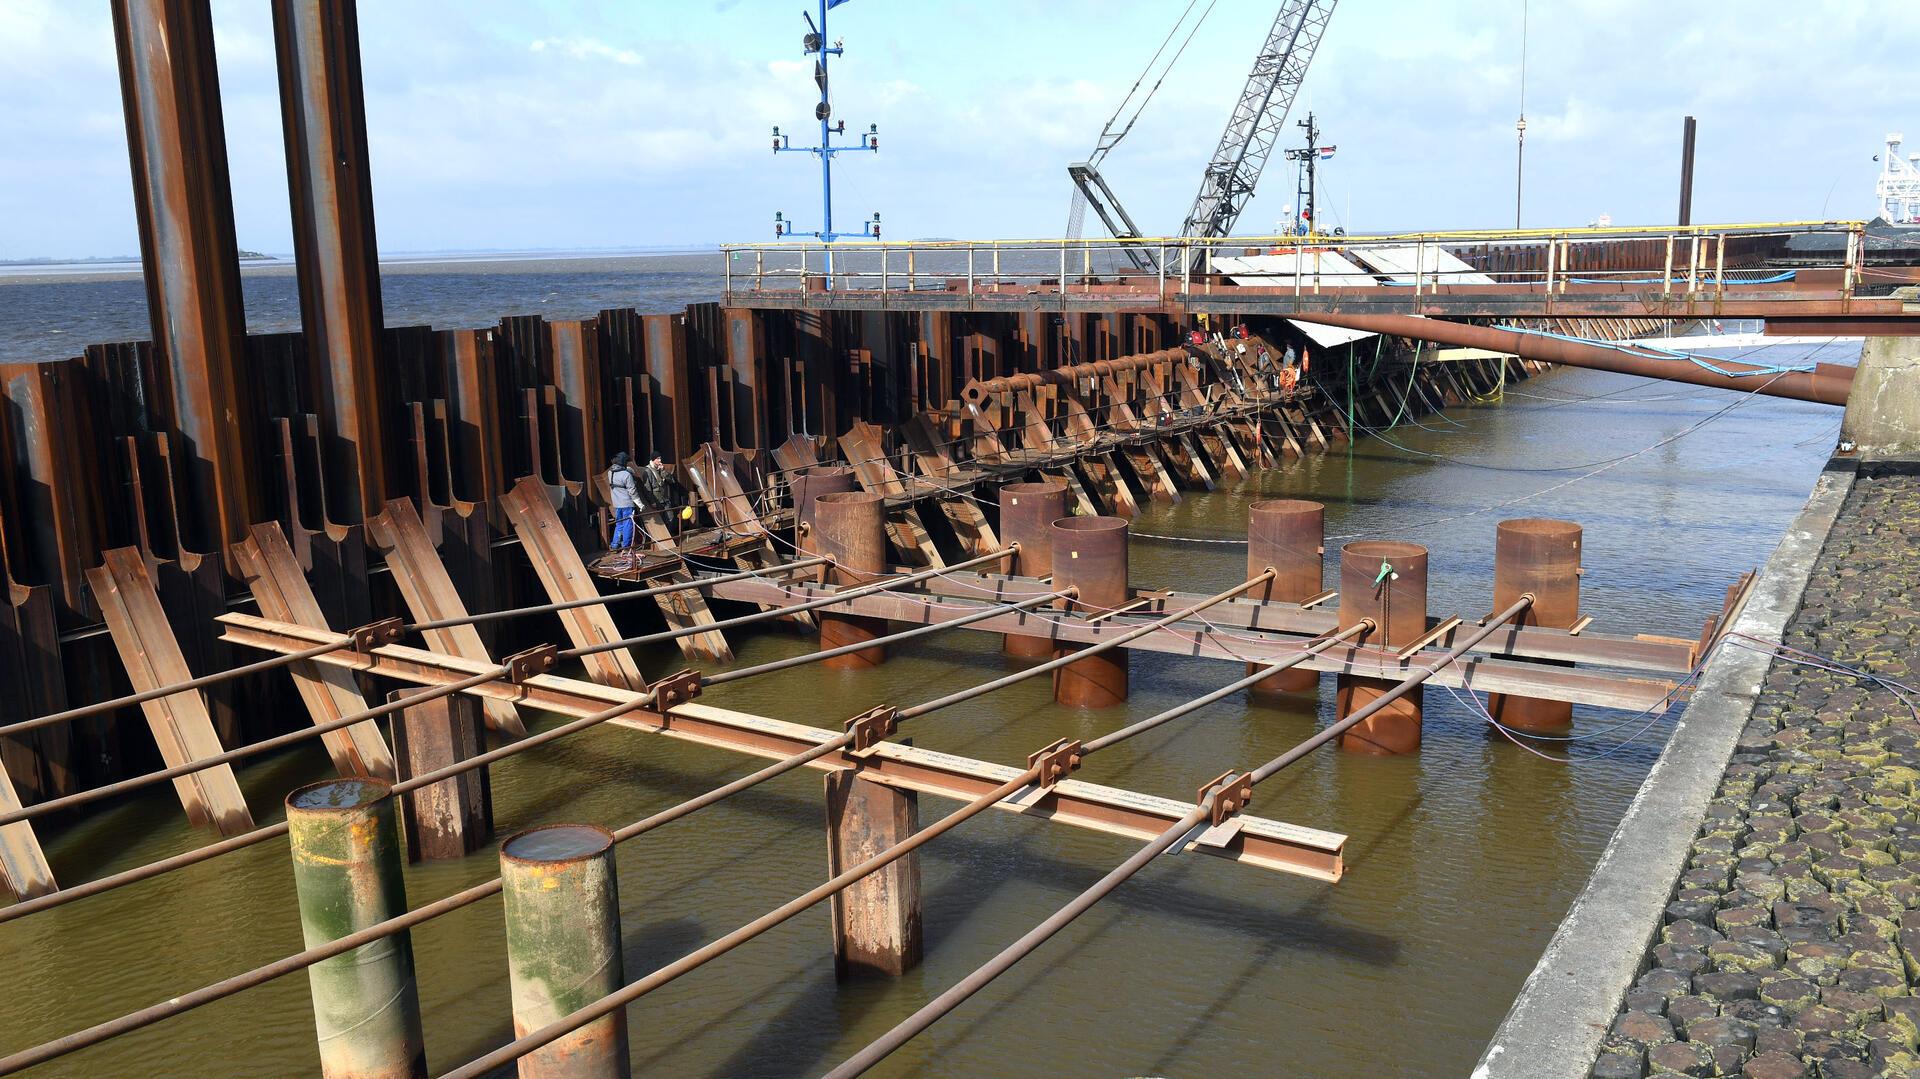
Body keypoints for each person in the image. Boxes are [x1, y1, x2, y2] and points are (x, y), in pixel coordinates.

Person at [637, 452, 679, 533]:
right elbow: (647, 488)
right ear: (653, 460)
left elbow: (671, 481)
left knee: (671, 517)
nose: (660, 460)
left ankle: (670, 535)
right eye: (658, 458)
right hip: (657, 500)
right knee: (661, 520)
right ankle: (665, 537)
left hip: (665, 498)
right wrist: (652, 501)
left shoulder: (661, 468)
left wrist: (663, 471)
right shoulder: (648, 471)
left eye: (660, 458)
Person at [607, 452, 639, 553]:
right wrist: (639, 503)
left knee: (619, 524)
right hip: (627, 504)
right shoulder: (626, 475)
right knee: (628, 524)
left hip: (617, 504)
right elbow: (632, 490)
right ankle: (626, 546)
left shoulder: (610, 472)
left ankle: (615, 545)